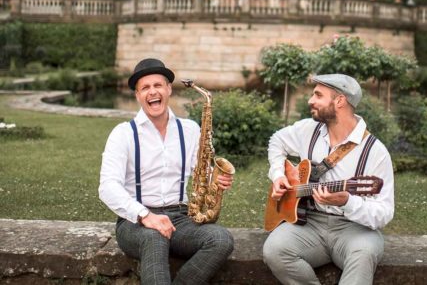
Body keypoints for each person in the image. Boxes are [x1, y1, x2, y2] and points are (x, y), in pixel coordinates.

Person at [99, 58, 234, 285]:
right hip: (135, 223)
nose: (153, 92)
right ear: (138, 95)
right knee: (154, 237)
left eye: (158, 85)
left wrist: (216, 178)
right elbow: (107, 187)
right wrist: (146, 216)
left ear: (169, 89)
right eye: (145, 87)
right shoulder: (123, 134)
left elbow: (201, 169)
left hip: (180, 219)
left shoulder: (189, 129)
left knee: (221, 239)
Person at [263, 74, 394, 285]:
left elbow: (384, 213)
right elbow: (276, 141)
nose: (310, 100)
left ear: (340, 101)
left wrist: (347, 202)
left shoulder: (375, 152)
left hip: (354, 228)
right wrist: (278, 175)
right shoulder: (308, 130)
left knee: (364, 254)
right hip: (309, 222)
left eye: (318, 95)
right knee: (274, 250)